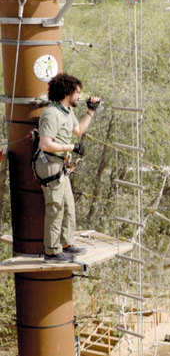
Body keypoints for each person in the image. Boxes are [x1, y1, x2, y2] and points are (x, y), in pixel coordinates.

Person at [35, 73, 101, 262]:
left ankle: (65, 243)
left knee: (68, 206)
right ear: (68, 92)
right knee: (55, 207)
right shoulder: (51, 114)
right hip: (49, 164)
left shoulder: (66, 111)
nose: (79, 96)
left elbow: (78, 130)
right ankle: (52, 251)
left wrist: (91, 111)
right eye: (77, 92)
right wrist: (71, 147)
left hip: (59, 165)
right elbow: (45, 144)